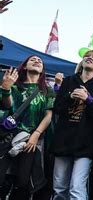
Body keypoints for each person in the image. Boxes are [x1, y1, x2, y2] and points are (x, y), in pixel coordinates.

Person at [51, 50, 93, 199]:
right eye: (87, 56)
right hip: (63, 140)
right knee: (59, 188)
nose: (89, 57)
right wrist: (70, 97)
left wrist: (88, 99)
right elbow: (57, 108)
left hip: (86, 143)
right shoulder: (69, 81)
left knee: (77, 188)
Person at [0, 55, 55, 199]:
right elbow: (8, 105)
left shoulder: (47, 90)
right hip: (9, 138)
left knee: (23, 183)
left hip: (31, 141)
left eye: (40, 61)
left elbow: (49, 115)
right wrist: (5, 89)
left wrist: (36, 134)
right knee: (2, 179)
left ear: (42, 70)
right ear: (24, 66)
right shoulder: (15, 86)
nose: (37, 61)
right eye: (33, 60)